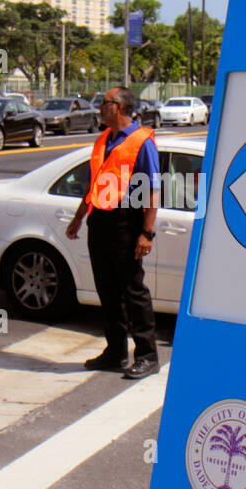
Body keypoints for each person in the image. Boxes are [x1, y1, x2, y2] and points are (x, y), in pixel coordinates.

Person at [65, 86, 160, 380]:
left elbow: (153, 190)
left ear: (118, 107)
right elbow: (94, 184)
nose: (99, 107)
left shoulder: (141, 141)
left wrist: (147, 234)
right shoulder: (104, 139)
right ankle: (115, 351)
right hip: (101, 221)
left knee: (133, 291)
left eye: (103, 103)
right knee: (106, 290)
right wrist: (79, 218)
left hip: (127, 222)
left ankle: (146, 355)